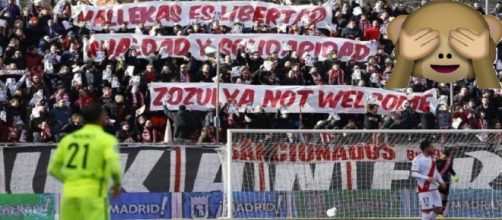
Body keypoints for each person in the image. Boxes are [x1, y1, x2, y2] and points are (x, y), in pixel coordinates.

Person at [47, 103, 122, 220]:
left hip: (71, 193)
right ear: (100, 117)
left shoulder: (68, 139)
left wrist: (71, 181)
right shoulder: (106, 139)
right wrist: (117, 184)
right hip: (94, 192)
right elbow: (114, 167)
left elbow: (53, 169)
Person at [411, 139, 446, 220]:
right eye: (431, 147)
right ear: (426, 148)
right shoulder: (418, 159)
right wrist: (427, 178)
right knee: (427, 210)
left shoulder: (433, 158)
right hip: (424, 188)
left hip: (433, 187)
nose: (434, 149)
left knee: (438, 209)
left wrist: (441, 181)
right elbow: (413, 173)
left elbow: (435, 171)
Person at [435, 148, 459, 219]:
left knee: (445, 197)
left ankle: (440, 214)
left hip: (446, 180)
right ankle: (436, 213)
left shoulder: (449, 160)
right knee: (437, 197)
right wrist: (440, 160)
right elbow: (435, 169)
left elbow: (450, 168)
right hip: (438, 180)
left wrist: (455, 175)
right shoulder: (437, 160)